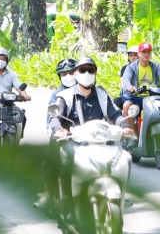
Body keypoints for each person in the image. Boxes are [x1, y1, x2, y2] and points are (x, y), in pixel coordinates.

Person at [48, 57, 133, 217]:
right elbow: (55, 118)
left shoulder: (102, 94)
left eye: (90, 70)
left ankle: (121, 197)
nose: (86, 73)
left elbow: (115, 114)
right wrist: (59, 129)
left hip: (101, 142)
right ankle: (67, 204)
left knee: (126, 159)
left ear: (95, 73)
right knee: (66, 159)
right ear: (75, 73)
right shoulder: (65, 96)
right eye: (82, 70)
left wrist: (125, 125)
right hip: (74, 143)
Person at [35, 58, 77, 214]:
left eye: (71, 73)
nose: (68, 76)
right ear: (59, 76)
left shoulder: (93, 91)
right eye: (64, 74)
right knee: (51, 161)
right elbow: (52, 120)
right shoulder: (57, 95)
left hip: (89, 136)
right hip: (64, 136)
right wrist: (57, 130)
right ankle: (50, 195)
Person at [120, 42, 160, 122]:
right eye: (144, 52)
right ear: (139, 53)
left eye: (148, 52)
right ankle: (135, 133)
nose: (146, 54)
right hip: (137, 97)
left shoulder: (156, 66)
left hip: (153, 98)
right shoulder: (131, 67)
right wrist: (129, 87)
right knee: (126, 106)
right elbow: (126, 79)